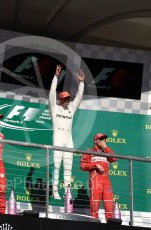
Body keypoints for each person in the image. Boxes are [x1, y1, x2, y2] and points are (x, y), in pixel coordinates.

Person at [49, 64, 84, 199]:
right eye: (65, 99)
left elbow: (79, 98)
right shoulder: (55, 108)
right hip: (57, 139)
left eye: (68, 99)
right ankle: (55, 190)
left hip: (68, 141)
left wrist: (81, 83)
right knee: (57, 165)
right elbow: (52, 94)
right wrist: (56, 77)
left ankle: (67, 192)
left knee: (68, 166)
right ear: (60, 99)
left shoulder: (71, 109)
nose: (67, 101)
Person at [80, 133, 117, 220]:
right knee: (94, 205)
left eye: (104, 139)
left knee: (109, 206)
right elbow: (82, 166)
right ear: (95, 141)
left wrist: (106, 147)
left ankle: (110, 225)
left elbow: (114, 159)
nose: (103, 140)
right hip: (95, 181)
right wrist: (95, 165)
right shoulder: (89, 151)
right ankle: (94, 224)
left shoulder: (106, 152)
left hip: (106, 181)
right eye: (101, 139)